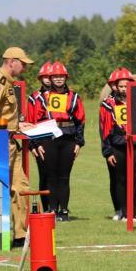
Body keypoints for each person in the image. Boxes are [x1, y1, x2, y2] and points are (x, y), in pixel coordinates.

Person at [0, 47, 34, 248]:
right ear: (12, 61)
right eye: (23, 63)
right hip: (0, 143)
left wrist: (18, 125)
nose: (25, 68)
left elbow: (2, 116)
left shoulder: (8, 83)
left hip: (10, 141)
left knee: (21, 188)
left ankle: (20, 236)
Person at [31, 61, 85, 221]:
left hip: (68, 139)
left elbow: (80, 120)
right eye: (55, 76)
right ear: (50, 78)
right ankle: (53, 211)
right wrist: (37, 143)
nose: (59, 79)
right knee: (51, 176)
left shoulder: (74, 97)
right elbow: (36, 121)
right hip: (49, 139)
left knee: (64, 176)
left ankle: (64, 211)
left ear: (66, 77)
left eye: (61, 76)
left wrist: (79, 142)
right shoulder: (42, 97)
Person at [99, 67, 136, 221]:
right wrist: (108, 152)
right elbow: (104, 130)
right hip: (117, 146)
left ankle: (133, 213)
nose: (124, 89)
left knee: (133, 179)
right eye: (121, 86)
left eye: (126, 85)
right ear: (115, 87)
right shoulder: (108, 104)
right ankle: (124, 213)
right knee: (120, 180)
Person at [26, 61, 54, 212]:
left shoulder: (64, 96)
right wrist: (33, 144)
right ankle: (47, 207)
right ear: (41, 78)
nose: (48, 79)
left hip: (58, 139)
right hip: (41, 141)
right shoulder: (34, 98)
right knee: (45, 174)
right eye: (45, 77)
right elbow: (30, 122)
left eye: (50, 76)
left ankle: (59, 207)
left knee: (59, 176)